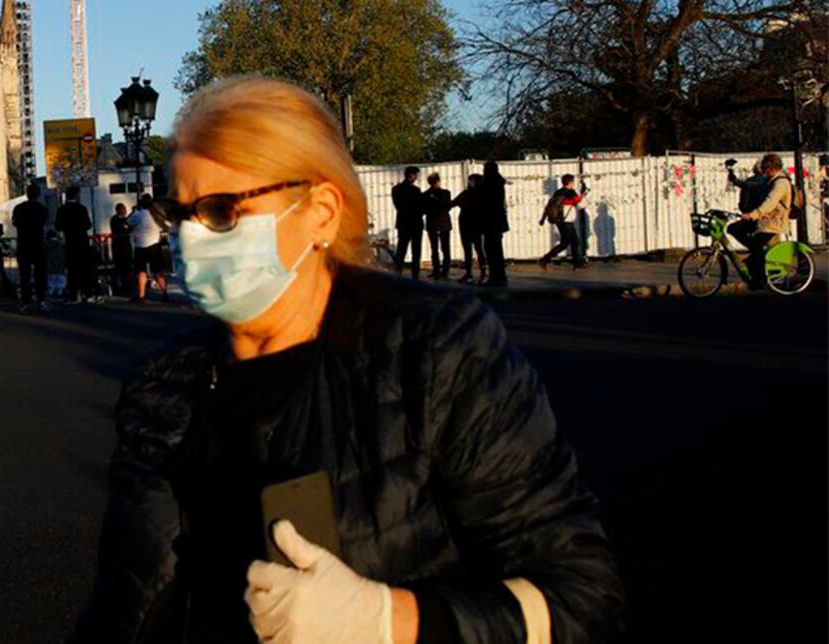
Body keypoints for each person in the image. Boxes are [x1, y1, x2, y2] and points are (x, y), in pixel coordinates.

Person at [71, 76, 622, 643]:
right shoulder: (165, 378)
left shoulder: (433, 351)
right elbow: (124, 605)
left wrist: (390, 621)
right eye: (179, 212)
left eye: (220, 212)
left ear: (322, 212)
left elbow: (583, 600)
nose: (190, 238)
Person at [738, 153, 793, 290]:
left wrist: (753, 214)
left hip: (773, 223)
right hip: (764, 221)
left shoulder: (781, 183)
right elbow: (752, 187)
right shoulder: (769, 181)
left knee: (757, 246)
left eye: (764, 167)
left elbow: (770, 202)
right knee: (735, 229)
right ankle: (756, 262)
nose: (762, 170)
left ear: (770, 168)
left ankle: (760, 278)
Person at [12, 185, 51, 312]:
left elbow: (15, 223)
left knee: (25, 275)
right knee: (40, 274)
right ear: (38, 194)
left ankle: (26, 302)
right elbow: (44, 222)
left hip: (24, 244)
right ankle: (41, 300)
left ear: (27, 194)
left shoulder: (18, 208)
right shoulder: (42, 209)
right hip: (38, 244)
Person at [539, 174, 589, 270]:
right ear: (570, 182)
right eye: (573, 182)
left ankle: (576, 263)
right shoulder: (571, 192)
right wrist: (584, 195)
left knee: (572, 242)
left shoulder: (558, 192)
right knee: (568, 243)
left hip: (560, 220)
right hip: (566, 221)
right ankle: (544, 259)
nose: (574, 183)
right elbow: (580, 205)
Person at [56, 187, 97, 303]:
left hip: (70, 241)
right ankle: (86, 293)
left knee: (72, 269)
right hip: (82, 241)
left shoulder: (62, 210)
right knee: (84, 268)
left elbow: (58, 226)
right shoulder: (82, 209)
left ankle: (73, 295)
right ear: (76, 195)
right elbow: (88, 225)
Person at [130, 193, 168, 303]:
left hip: (140, 245)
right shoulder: (156, 215)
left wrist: (134, 211)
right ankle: (165, 293)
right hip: (155, 245)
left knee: (141, 271)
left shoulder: (138, 215)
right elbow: (163, 226)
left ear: (141, 203)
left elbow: (127, 223)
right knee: (158, 271)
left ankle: (141, 295)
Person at [478, 160, 510, 286]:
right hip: (497, 221)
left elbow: (483, 200)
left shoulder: (488, 184)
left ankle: (495, 277)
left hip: (490, 221)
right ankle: (499, 276)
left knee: (491, 250)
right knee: (496, 249)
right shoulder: (498, 183)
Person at [390, 167, 424, 280]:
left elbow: (397, 206)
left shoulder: (396, 189)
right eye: (416, 175)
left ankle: (398, 274)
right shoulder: (416, 190)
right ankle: (415, 276)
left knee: (401, 250)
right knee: (416, 251)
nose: (416, 177)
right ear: (411, 175)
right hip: (415, 223)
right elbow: (420, 207)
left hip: (403, 223)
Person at [452, 174, 486, 284]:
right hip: (476, 226)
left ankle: (470, 274)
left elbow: (452, 203)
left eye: (471, 181)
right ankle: (482, 274)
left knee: (470, 250)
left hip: (467, 225)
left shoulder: (467, 194)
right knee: (478, 250)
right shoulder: (481, 195)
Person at [423, 172, 453, 280]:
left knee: (434, 248)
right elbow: (448, 207)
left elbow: (424, 210)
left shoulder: (425, 195)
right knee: (445, 248)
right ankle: (445, 271)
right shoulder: (446, 193)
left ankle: (436, 271)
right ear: (438, 181)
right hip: (444, 223)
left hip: (432, 224)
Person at [110, 203, 134, 297]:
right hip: (118, 246)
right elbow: (121, 228)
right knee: (119, 266)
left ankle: (127, 285)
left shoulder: (126, 220)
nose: (124, 211)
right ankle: (117, 285)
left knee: (127, 266)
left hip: (126, 246)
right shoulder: (114, 220)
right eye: (123, 209)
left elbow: (130, 228)